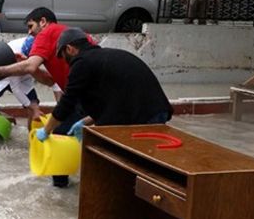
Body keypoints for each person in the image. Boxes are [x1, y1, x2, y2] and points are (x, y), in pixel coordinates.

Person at [0, 7, 86, 187]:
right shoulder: (65, 37)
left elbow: (31, 68)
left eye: (30, 26)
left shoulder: (46, 33)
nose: (30, 32)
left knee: (60, 131)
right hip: (88, 92)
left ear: (43, 21)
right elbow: (49, 80)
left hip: (83, 94)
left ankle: (61, 183)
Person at [35, 28, 172, 143]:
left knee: (133, 163)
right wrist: (86, 121)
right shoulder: (104, 57)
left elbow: (67, 103)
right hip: (156, 110)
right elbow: (115, 98)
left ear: (70, 49)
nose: (64, 61)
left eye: (62, 56)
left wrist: (46, 130)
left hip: (144, 116)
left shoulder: (82, 63)